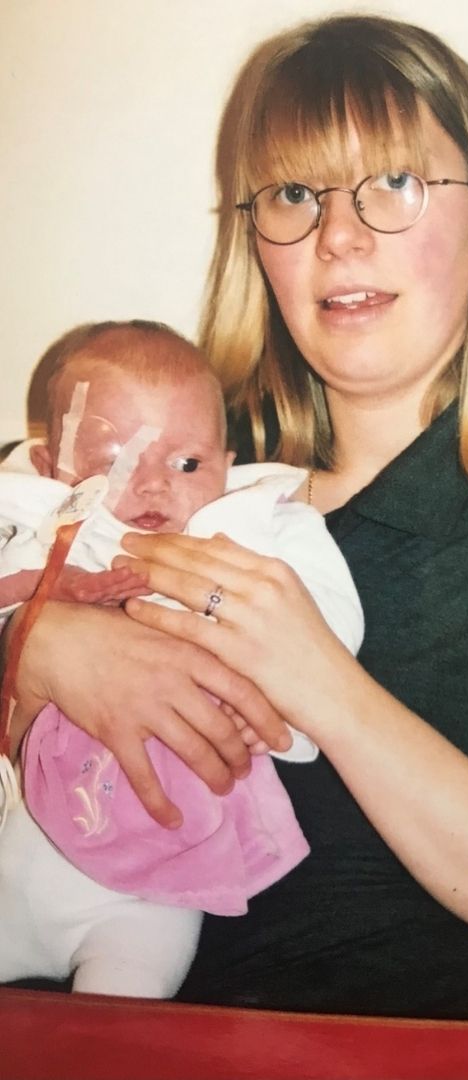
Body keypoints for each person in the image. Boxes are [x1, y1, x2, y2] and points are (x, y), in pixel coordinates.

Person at [5, 15, 468, 1021]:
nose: (338, 236)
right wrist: (37, 644)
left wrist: (323, 687)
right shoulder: (171, 459)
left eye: (392, 182)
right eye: (296, 194)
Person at [0, 320, 359, 998]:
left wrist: (276, 703)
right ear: (51, 469)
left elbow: (327, 629)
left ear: (225, 468)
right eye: (113, 463)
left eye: (186, 464)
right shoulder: (33, 523)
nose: (153, 488)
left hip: (154, 885)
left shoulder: (249, 532)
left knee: (125, 1013)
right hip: (19, 845)